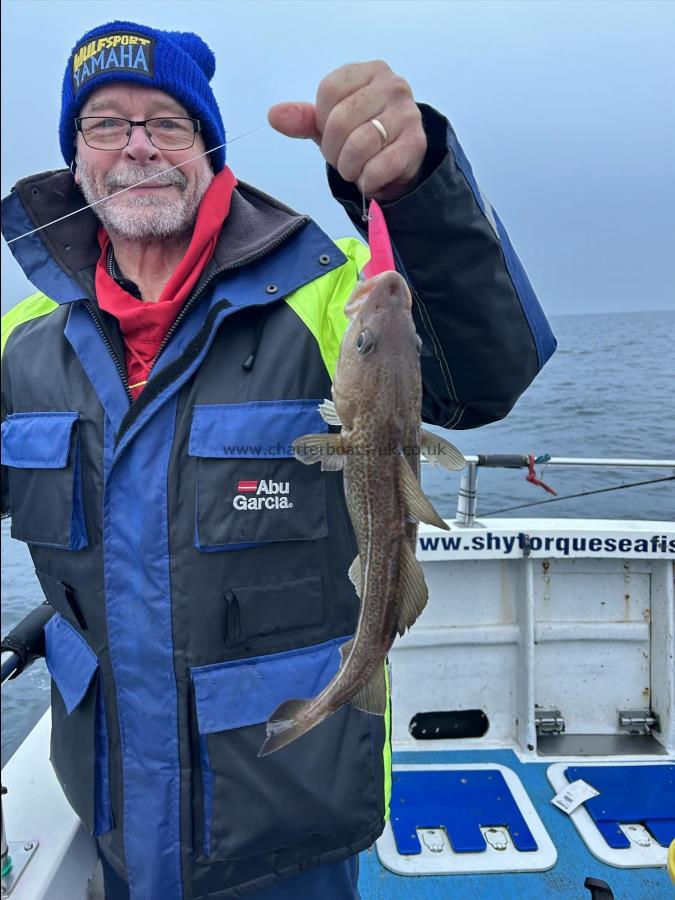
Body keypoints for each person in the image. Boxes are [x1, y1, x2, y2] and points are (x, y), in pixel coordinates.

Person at [0, 20, 556, 900]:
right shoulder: (23, 339)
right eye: (106, 123)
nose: (138, 144)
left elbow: (482, 376)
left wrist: (414, 196)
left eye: (168, 123)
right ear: (77, 159)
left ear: (209, 150)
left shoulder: (334, 292)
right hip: (111, 810)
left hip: (283, 821)